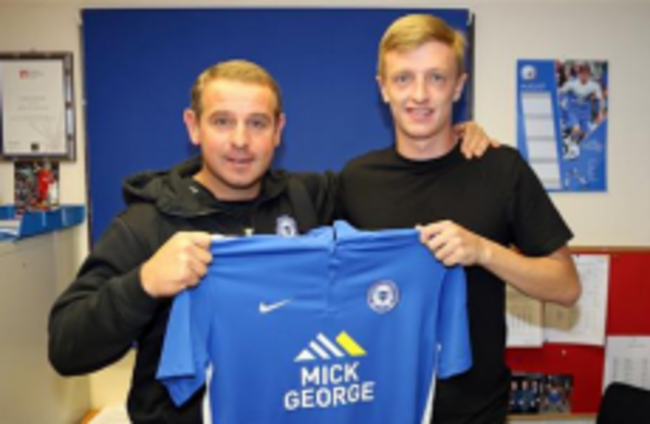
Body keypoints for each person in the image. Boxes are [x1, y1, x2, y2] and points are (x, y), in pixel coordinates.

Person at [48, 59, 493, 424]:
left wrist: (446, 143)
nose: (240, 141)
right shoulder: (146, 224)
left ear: (279, 130)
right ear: (193, 126)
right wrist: (144, 282)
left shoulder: (310, 198)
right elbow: (67, 347)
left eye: (257, 123)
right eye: (222, 121)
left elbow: (397, 189)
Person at [337, 14, 581, 424]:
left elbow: (567, 286)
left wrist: (484, 251)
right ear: (383, 88)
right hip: (379, 406)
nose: (419, 94)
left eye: (436, 77)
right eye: (403, 78)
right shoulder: (355, 180)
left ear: (458, 86)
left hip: (475, 411)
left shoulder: (500, 169)